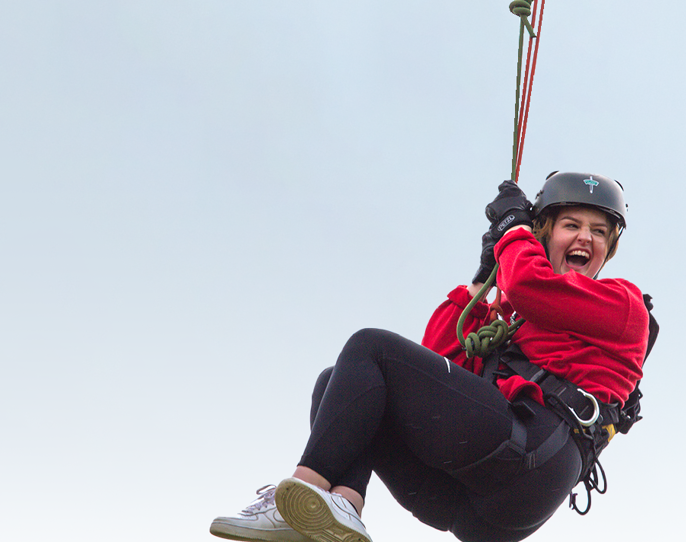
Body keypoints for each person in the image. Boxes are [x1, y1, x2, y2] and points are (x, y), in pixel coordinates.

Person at [209, 171, 657, 542]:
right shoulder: (520, 312)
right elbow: (439, 355)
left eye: (599, 231)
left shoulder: (622, 305)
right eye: (571, 225)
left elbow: (529, 285)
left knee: (371, 348)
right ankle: (339, 507)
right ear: (548, 235)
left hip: (533, 458)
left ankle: (301, 490)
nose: (585, 238)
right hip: (469, 507)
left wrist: (513, 235)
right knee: (341, 382)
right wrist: (483, 278)